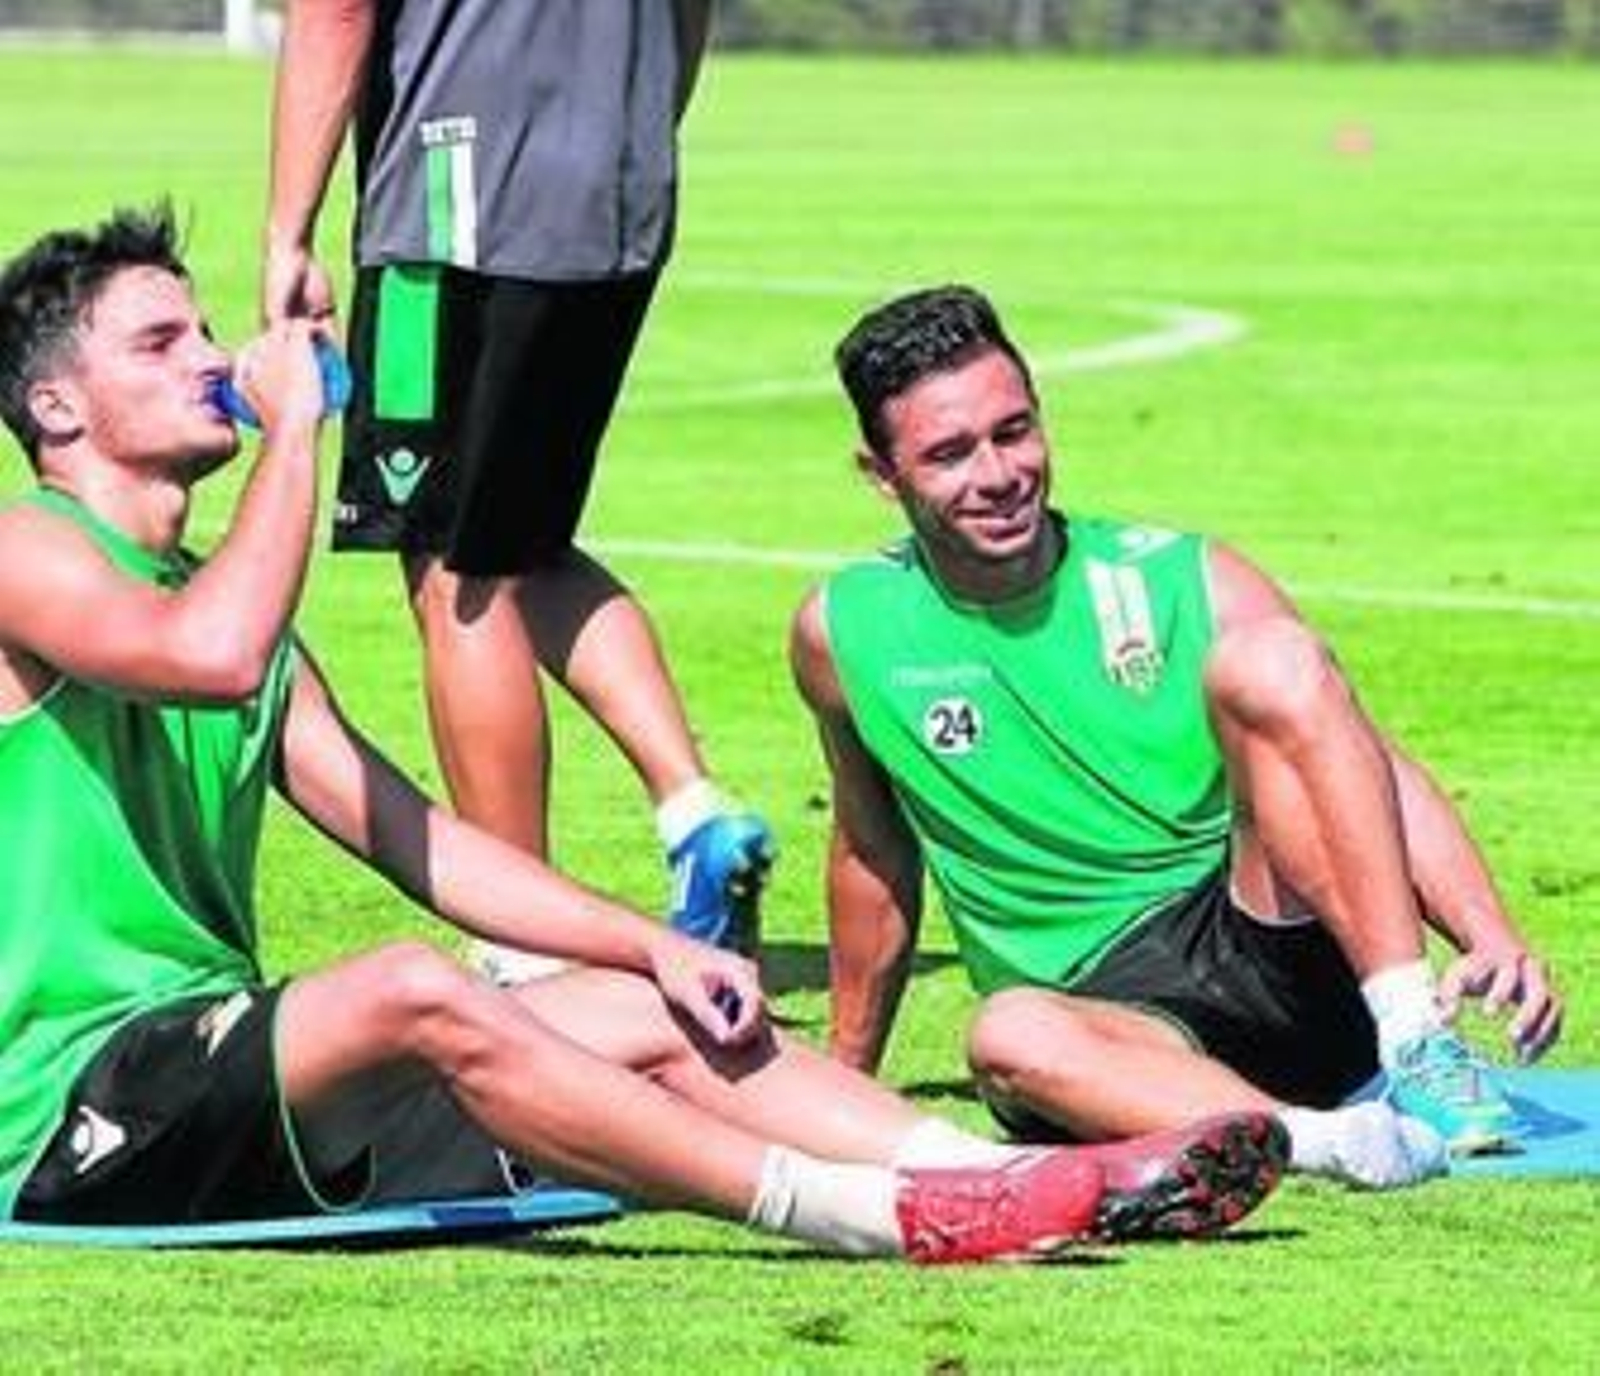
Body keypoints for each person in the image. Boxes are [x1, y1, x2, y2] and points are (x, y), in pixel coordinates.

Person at [0, 210, 1288, 1260]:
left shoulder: (235, 615)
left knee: (654, 1009)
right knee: (413, 983)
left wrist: (653, 946)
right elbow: (205, 657)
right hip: (73, 1106)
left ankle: (1009, 1176)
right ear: (57, 411)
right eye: (162, 341)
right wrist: (299, 431)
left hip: (218, 1076)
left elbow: (423, 843)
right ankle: (867, 1214)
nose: (213, 355)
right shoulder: (24, 548)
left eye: (205, 328)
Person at [790, 284, 1565, 1190]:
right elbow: (872, 852)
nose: (998, 474)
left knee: (1274, 659)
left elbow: (1364, 765)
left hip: (1280, 949)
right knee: (1004, 1033)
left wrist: (1487, 931)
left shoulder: (1182, 575)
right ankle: (1320, 1144)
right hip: (1111, 1034)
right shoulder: (842, 632)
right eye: (950, 454)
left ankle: (1418, 1043)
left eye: (1015, 431)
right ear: (881, 476)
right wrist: (840, 1083)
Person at [258, 0, 772, 975]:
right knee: (522, 538)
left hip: (457, 209)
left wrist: (289, 229)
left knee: (457, 566)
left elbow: (334, 10)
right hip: (617, 194)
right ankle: (693, 808)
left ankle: (520, 939)